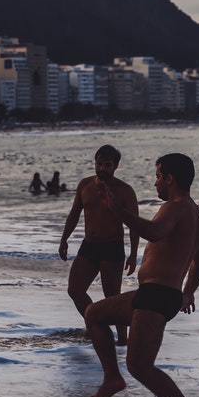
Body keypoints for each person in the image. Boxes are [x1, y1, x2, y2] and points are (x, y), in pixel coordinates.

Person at [83, 153, 199, 397]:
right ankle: (112, 378)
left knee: (140, 366)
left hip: (157, 295)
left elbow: (154, 232)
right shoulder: (196, 214)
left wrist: (121, 213)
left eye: (157, 177)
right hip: (159, 294)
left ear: (169, 179)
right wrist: (188, 291)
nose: (155, 184)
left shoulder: (175, 208)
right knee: (94, 314)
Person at [58, 144, 139, 345]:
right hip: (89, 246)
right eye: (99, 164)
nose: (102, 168)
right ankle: (95, 323)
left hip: (113, 248)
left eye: (107, 165)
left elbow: (134, 224)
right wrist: (64, 239)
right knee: (74, 290)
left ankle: (122, 340)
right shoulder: (85, 185)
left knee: (113, 297)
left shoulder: (125, 191)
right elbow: (74, 214)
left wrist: (133, 253)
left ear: (116, 166)